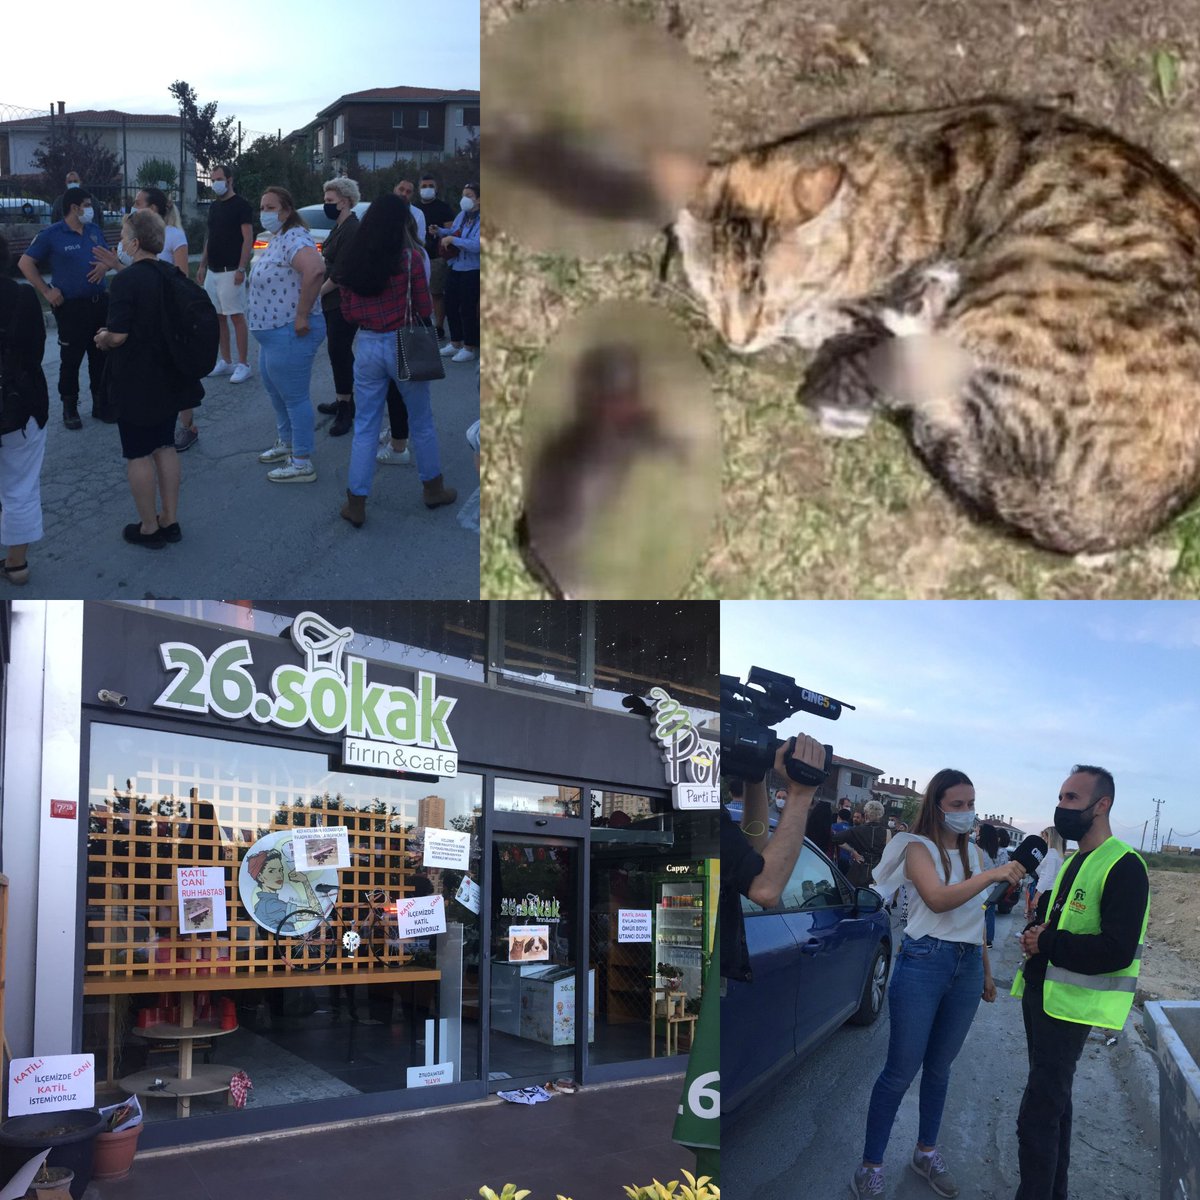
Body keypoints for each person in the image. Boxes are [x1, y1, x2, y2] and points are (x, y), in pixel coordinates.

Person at [852, 770, 1026, 1199]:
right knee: (900, 1071)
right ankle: (870, 1165)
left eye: (971, 804)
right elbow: (937, 899)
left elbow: (972, 920)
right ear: (937, 806)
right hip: (925, 961)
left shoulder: (976, 858)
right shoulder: (917, 848)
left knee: (940, 1068)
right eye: (957, 805)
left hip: (966, 965)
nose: (967, 813)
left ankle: (925, 1152)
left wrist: (985, 972)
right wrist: (992, 876)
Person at [1012, 765, 1150, 1200]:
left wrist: (1047, 939)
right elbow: (1058, 922)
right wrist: (1037, 932)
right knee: (1055, 1109)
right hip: (1043, 996)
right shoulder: (1076, 861)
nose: (1061, 807)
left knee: (1037, 1116)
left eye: (1072, 798)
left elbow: (1115, 949)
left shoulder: (1125, 866)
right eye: (1061, 797)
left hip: (1069, 1007)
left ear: (1102, 804)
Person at [337, 193, 457, 524]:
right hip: (404, 340)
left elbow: (346, 311)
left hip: (367, 345)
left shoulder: (352, 257)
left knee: (365, 426)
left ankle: (356, 503)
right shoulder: (410, 258)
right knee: (420, 419)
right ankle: (433, 489)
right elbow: (423, 307)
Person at [93, 209, 201, 548]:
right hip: (169, 374)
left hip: (136, 379)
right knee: (165, 445)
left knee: (138, 453)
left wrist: (102, 338)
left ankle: (149, 527)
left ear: (136, 243)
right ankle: (170, 519)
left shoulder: (126, 281)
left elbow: (120, 335)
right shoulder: (171, 273)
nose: (120, 244)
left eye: (124, 238)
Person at [720, 734, 827, 981]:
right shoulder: (699, 805)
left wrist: (755, 776)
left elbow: (753, 855)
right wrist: (801, 794)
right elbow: (765, 890)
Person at [247, 186, 327, 483]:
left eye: (271, 207)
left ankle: (302, 461)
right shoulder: (278, 238)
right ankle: (288, 443)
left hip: (290, 332)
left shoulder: (295, 237)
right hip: (272, 335)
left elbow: (316, 270)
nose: (265, 212)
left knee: (294, 397)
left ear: (287, 210)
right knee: (276, 392)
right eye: (263, 207)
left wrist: (303, 314)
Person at [18, 187, 112, 428]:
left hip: (98, 302)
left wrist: (104, 267)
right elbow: (25, 262)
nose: (90, 209)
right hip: (71, 307)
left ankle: (101, 403)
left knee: (100, 355)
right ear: (74, 208)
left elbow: (107, 256)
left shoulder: (93, 230)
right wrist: (47, 291)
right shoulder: (52, 234)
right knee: (71, 358)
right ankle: (70, 407)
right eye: (87, 205)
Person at [0, 233, 49, 584]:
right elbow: (36, 350)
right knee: (21, 484)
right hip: (22, 404)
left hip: (19, 402)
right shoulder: (23, 296)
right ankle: (17, 562)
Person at [315, 176, 363, 438]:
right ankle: (343, 397)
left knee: (340, 351)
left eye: (330, 201)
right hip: (332, 301)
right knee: (338, 352)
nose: (327, 205)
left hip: (343, 302)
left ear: (344, 202)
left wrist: (316, 294)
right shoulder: (339, 226)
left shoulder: (352, 229)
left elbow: (342, 272)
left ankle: (347, 407)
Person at [198, 164, 254, 384]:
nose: (216, 183)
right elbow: (210, 237)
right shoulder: (214, 207)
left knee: (237, 317)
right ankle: (226, 360)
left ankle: (243, 364)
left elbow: (247, 239)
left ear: (230, 180)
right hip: (213, 270)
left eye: (219, 179)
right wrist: (202, 265)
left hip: (232, 271)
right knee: (218, 317)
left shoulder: (241, 205)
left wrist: (241, 268)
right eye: (213, 179)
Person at [433, 183, 480, 363]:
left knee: (467, 308)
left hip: (472, 269)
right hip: (456, 266)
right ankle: (455, 342)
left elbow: (477, 245)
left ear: (479, 199)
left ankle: (469, 347)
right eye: (463, 195)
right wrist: (440, 232)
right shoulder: (462, 215)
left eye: (469, 195)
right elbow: (452, 232)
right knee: (451, 304)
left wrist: (454, 239)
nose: (464, 199)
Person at [413, 173, 456, 339]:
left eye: (430, 186)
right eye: (424, 186)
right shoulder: (415, 208)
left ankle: (438, 326)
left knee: (436, 293)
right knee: (416, 293)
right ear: (419, 189)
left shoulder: (443, 208)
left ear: (436, 189)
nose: (427, 189)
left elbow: (452, 232)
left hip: (437, 257)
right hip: (417, 257)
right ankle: (419, 324)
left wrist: (439, 233)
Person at [833, 799, 889, 888]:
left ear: (866, 814)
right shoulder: (888, 833)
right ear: (880, 815)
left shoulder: (857, 830)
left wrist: (852, 851)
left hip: (858, 871)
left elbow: (836, 838)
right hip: (878, 874)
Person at [1030, 825, 1065, 921]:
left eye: (1045, 837)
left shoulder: (1051, 853)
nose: (1043, 840)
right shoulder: (1058, 854)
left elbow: (1047, 876)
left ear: (1050, 838)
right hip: (1049, 890)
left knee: (1040, 917)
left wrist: (1037, 897)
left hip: (1045, 890)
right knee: (1043, 917)